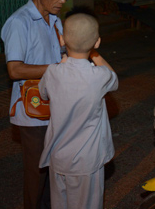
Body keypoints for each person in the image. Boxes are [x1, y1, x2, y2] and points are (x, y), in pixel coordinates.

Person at [1, 0, 80, 209]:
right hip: (32, 112)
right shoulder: (19, 22)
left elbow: (61, 52)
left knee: (56, 169)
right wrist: (57, 69)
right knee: (37, 173)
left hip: (56, 106)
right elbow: (14, 69)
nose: (61, 0)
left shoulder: (55, 20)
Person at [38, 13, 119, 209]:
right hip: (87, 161)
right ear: (97, 42)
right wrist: (95, 55)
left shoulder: (52, 72)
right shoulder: (98, 76)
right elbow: (114, 79)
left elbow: (43, 94)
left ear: (62, 40)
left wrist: (62, 63)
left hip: (58, 158)